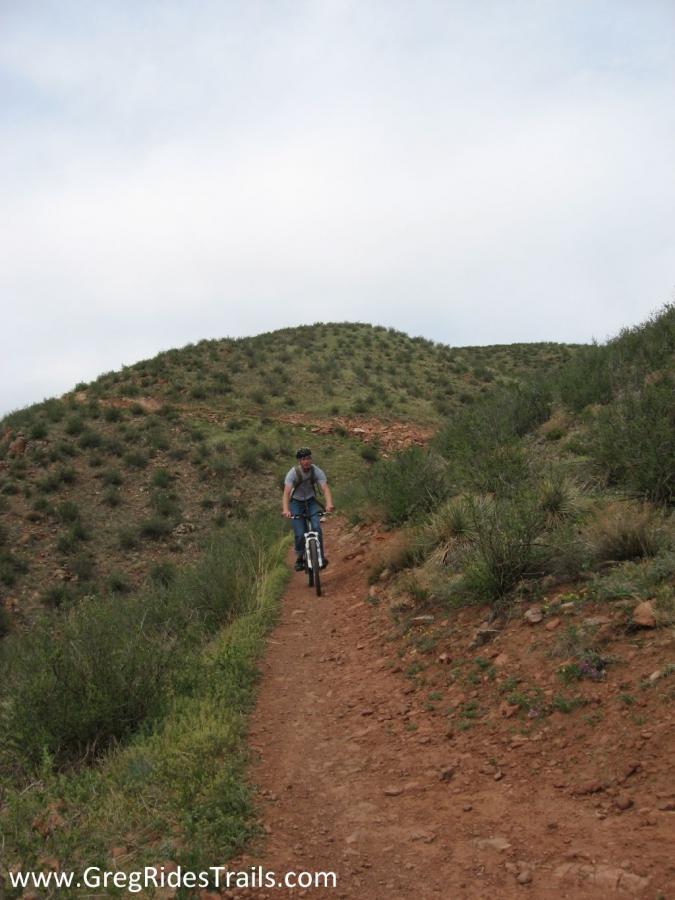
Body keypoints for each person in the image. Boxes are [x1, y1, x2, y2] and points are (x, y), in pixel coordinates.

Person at [282, 448, 334, 571]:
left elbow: (325, 489)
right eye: (303, 459)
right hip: (296, 503)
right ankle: (300, 557)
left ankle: (320, 557)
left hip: (311, 501)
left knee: (316, 528)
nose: (306, 461)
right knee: (300, 533)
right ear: (299, 461)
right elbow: (286, 493)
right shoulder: (293, 473)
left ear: (311, 459)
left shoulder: (316, 471)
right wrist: (286, 509)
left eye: (308, 458)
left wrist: (329, 503)